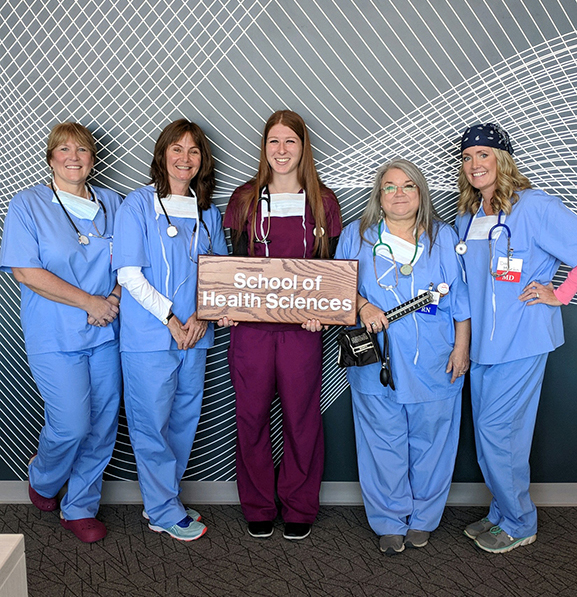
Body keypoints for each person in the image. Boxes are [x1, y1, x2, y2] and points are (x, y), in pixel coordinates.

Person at [335, 159, 470, 555]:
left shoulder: (442, 238)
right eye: (389, 187)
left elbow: (460, 302)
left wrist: (461, 349)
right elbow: (337, 289)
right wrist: (362, 305)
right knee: (382, 443)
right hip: (378, 365)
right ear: (378, 194)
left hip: (435, 359)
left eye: (408, 186)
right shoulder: (356, 237)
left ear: (421, 193)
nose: (398, 194)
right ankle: (389, 519)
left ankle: (424, 518)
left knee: (433, 443)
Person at [455, 123, 577, 553]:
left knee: (499, 432)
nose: (474, 164)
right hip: (484, 345)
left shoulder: (535, 207)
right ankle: (501, 514)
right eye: (468, 157)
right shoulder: (467, 215)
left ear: (502, 159)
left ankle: (521, 522)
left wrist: (559, 293)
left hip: (523, 339)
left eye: (483, 155)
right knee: (492, 438)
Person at [0, 122, 122, 543]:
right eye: (64, 149)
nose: (74, 156)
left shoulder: (112, 202)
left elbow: (131, 260)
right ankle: (44, 477)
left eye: (83, 149)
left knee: (103, 425)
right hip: (55, 333)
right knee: (71, 424)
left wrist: (113, 298)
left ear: (93, 157)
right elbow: (25, 270)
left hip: (106, 331)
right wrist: (89, 302)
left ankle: (80, 506)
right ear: (51, 157)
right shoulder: (27, 204)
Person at [223, 110, 342, 540]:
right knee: (251, 418)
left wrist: (324, 312)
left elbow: (330, 273)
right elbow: (230, 265)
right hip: (251, 333)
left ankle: (298, 504)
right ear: (264, 147)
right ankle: (257, 503)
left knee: (302, 418)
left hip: (302, 332)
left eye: (290, 141)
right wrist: (226, 303)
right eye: (274, 141)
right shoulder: (244, 200)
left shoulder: (324, 202)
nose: (281, 150)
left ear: (303, 147)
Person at [112, 119, 227, 542]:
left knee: (183, 420)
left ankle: (165, 499)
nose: (185, 158)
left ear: (203, 160)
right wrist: (172, 319)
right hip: (151, 337)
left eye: (194, 151)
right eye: (176, 149)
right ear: (162, 154)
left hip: (196, 336)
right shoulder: (137, 206)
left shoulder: (208, 210)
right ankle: (162, 508)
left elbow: (220, 275)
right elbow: (128, 273)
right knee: (151, 424)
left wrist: (201, 317)